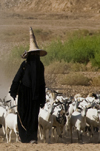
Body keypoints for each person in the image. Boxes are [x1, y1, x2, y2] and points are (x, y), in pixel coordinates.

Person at [9, 27, 47, 144]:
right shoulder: (33, 65)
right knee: (28, 115)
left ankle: (28, 138)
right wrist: (14, 91)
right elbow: (18, 78)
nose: (35, 57)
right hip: (30, 94)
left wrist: (42, 98)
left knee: (28, 116)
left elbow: (41, 83)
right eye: (34, 55)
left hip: (30, 94)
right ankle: (28, 137)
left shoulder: (33, 65)